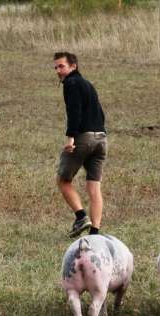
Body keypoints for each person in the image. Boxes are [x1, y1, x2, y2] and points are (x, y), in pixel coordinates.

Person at [53, 52, 107, 237]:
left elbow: (74, 112)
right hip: (101, 139)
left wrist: (70, 139)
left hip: (84, 139)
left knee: (63, 180)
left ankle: (81, 216)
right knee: (94, 187)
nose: (58, 71)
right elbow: (101, 113)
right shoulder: (88, 84)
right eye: (56, 67)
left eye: (61, 66)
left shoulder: (71, 83)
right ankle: (95, 234)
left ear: (73, 66)